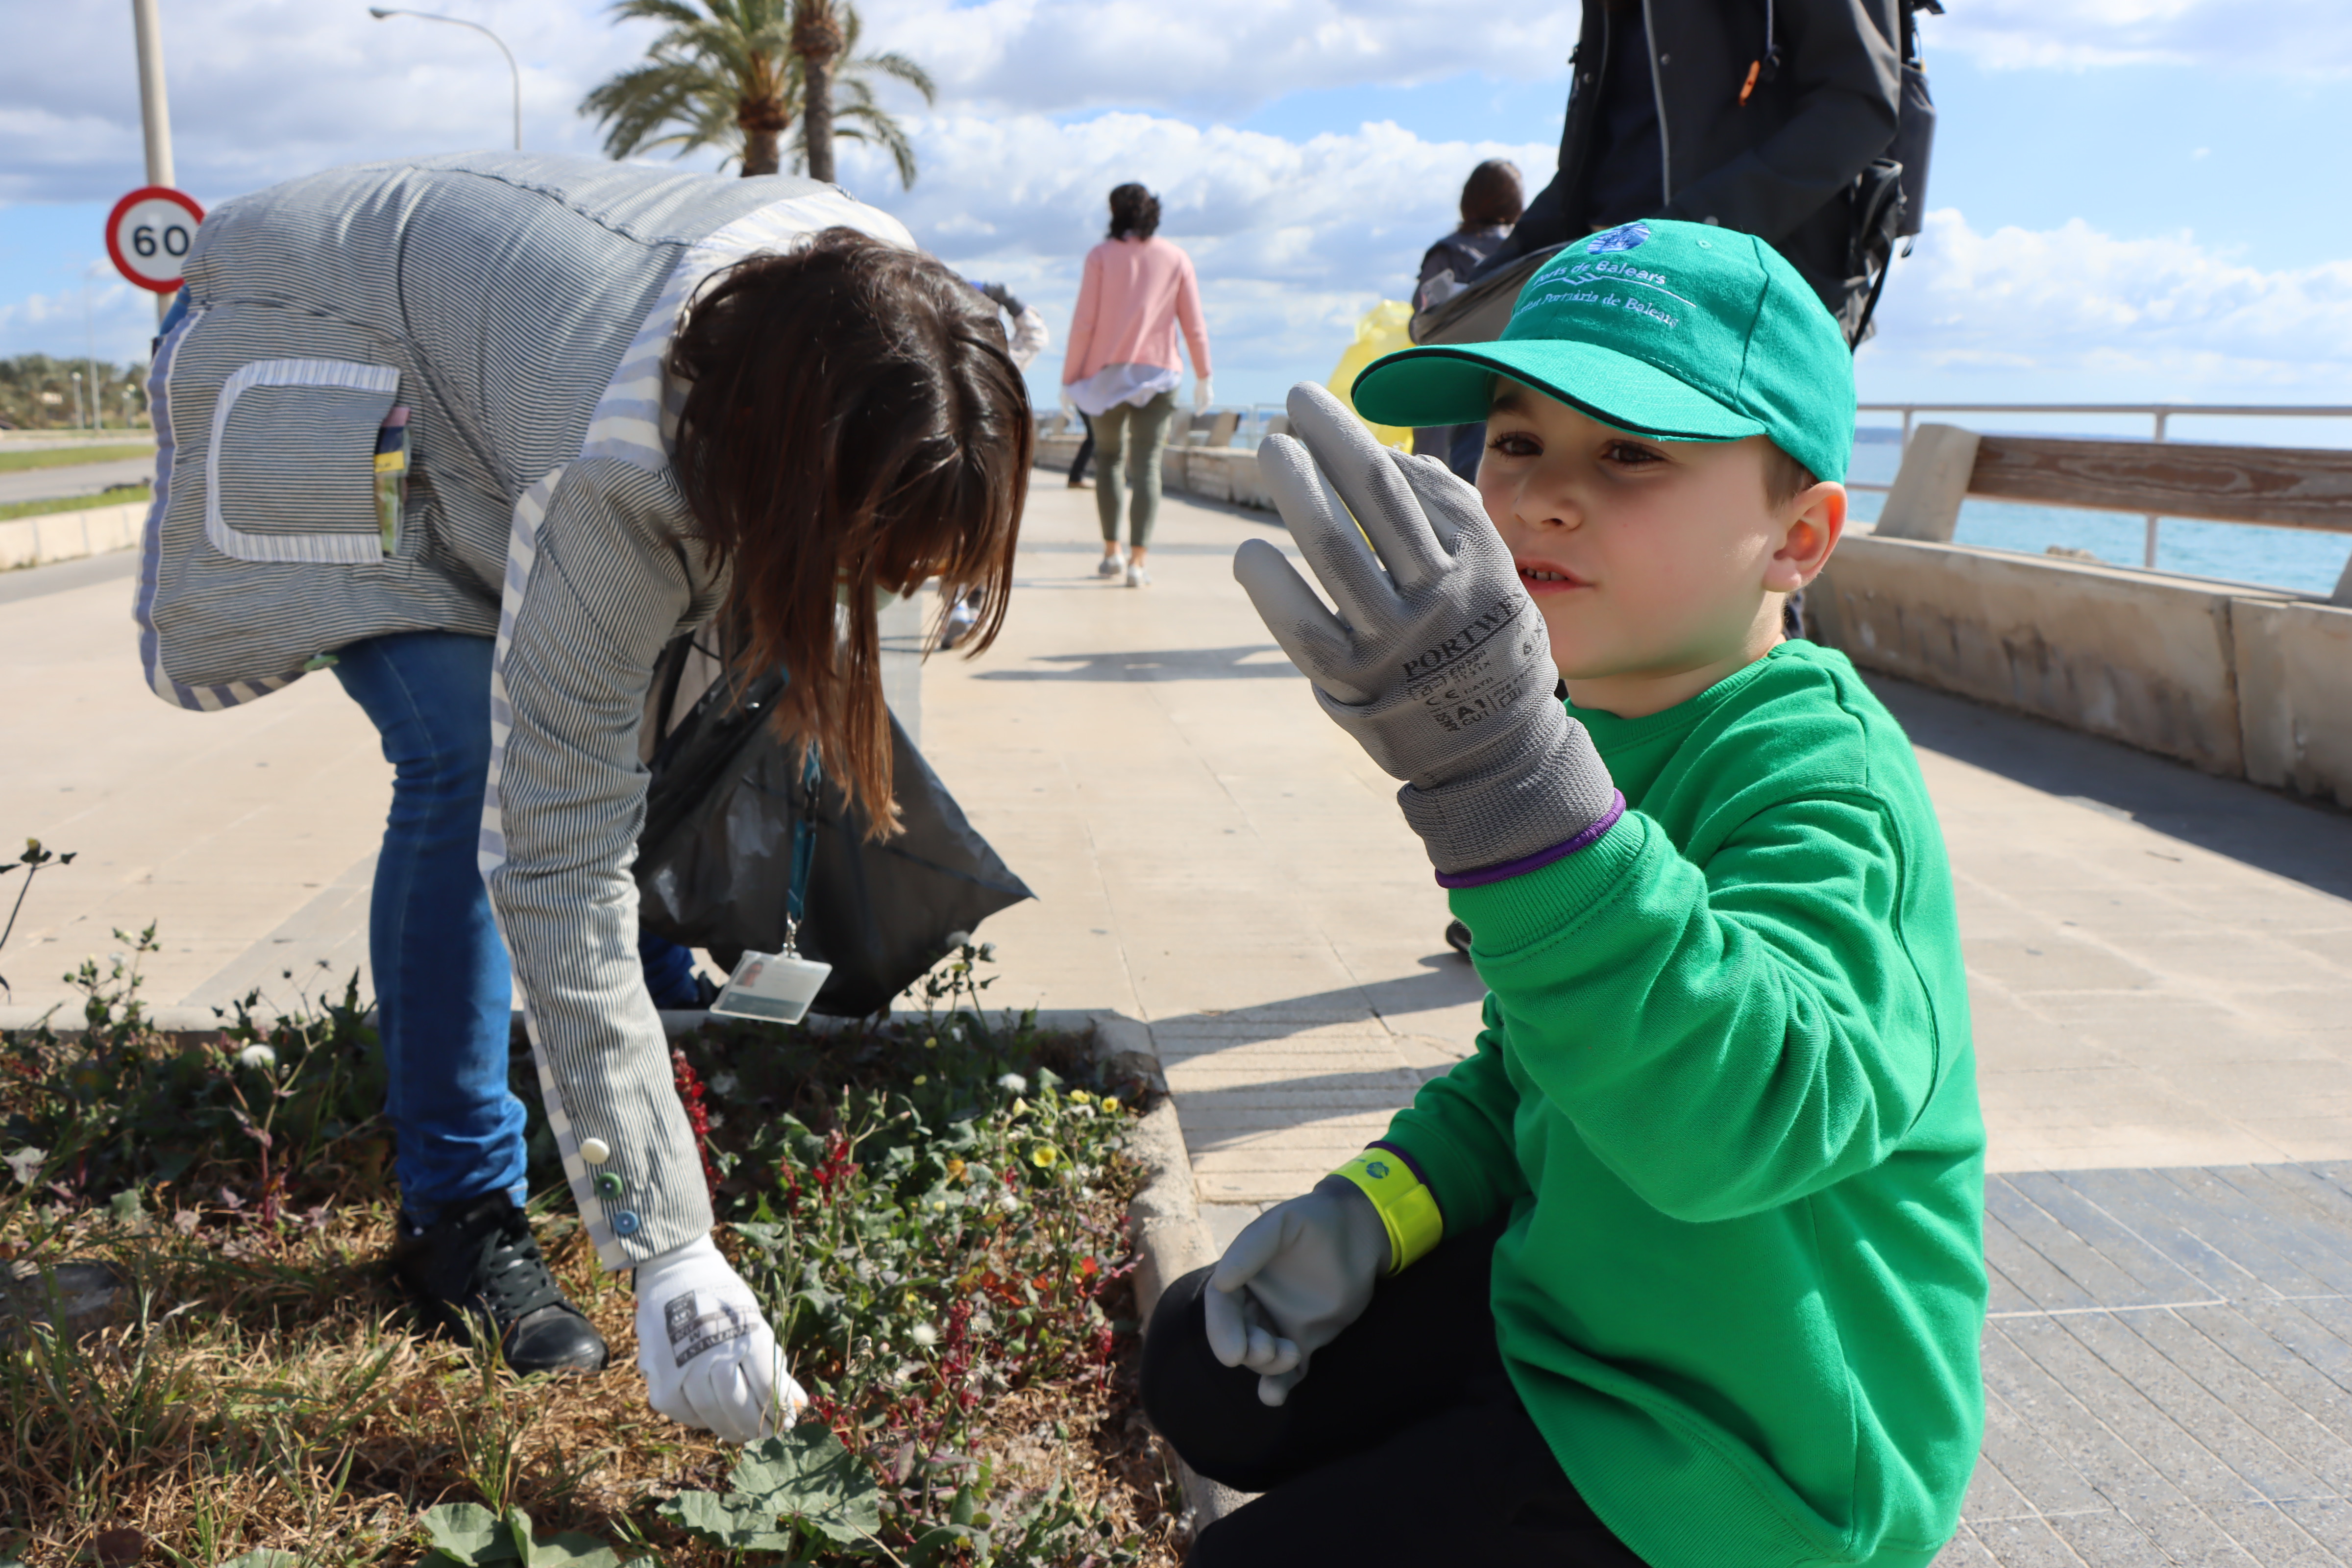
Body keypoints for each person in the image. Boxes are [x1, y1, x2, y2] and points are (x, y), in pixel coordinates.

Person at [139, 154, 1028, 1437]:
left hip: (509, 367)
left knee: (669, 707)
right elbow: (557, 848)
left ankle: (655, 1006)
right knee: (473, 762)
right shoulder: (632, 475)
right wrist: (669, 1251)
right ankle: (458, 1213)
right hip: (329, 339)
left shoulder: (897, 332)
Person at [1146, 221, 1984, 1566]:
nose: (1539, 497)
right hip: (1578, 1313)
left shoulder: (1823, 776)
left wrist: (1505, 772)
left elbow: (1749, 1124)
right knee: (1199, 1364)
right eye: (1519, 439)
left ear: (1801, 538)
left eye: (1631, 454)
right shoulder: (1600, 714)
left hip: (1745, 1455)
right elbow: (1529, 1065)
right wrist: (1373, 1207)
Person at [1477, 0, 1904, 342]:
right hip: (1605, 290)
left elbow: (1858, 106)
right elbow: (1591, 163)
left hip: (1743, 306)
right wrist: (1485, 284)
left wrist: (1685, 236)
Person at [1060, 183, 1212, 588]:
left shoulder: (1101, 257)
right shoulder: (1177, 257)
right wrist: (1205, 375)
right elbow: (1193, 326)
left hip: (1106, 376)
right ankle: (1138, 563)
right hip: (1160, 374)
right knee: (1146, 466)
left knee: (1109, 460)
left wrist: (1069, 378)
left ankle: (1112, 554)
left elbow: (1085, 324)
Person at [1410, 159, 1524, 474]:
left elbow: (1421, 325)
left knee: (1436, 485)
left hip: (1445, 381)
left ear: (1467, 201)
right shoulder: (1529, 252)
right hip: (1511, 379)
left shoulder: (1446, 254)